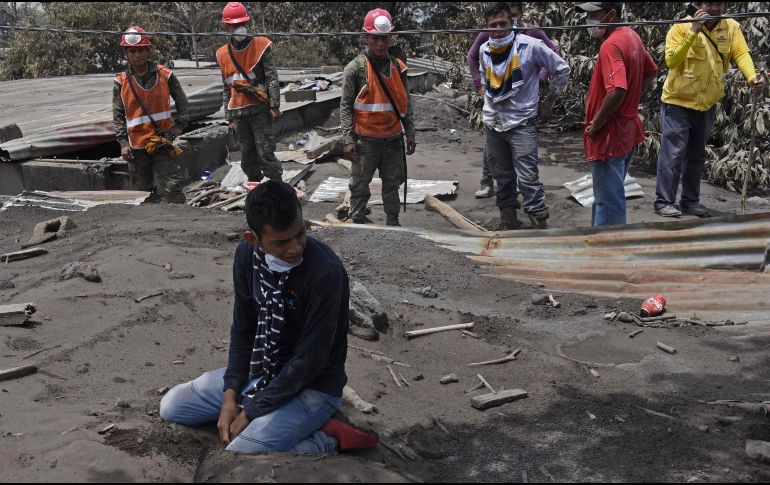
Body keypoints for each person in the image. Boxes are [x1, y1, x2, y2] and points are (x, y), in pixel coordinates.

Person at [160, 181, 377, 455]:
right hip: (261, 373)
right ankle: (284, 424)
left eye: (300, 234)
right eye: (281, 242)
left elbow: (310, 360)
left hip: (314, 385)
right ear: (253, 238)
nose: (295, 247)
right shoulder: (246, 256)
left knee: (243, 451)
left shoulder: (325, 273)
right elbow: (243, 329)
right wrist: (230, 397)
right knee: (172, 407)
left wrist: (251, 411)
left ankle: (330, 437)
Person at [654, 1, 766, 218]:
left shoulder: (731, 27)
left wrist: (752, 78)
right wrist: (693, 32)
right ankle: (663, 202)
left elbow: (741, 53)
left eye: (719, 4)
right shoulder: (680, 27)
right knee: (673, 155)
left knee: (696, 156)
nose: (715, 8)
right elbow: (671, 60)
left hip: (707, 104)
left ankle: (690, 202)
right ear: (698, 4)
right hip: (678, 102)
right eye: (709, 3)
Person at [479, 3, 570, 230]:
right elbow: (484, 78)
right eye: (493, 26)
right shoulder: (484, 50)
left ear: (513, 23)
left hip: (522, 123)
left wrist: (548, 101)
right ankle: (508, 222)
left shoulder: (530, 46)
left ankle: (539, 224)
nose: (498, 29)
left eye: (503, 24)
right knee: (502, 177)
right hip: (493, 123)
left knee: (528, 178)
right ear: (487, 28)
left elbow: (562, 68)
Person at [578, 2, 658, 226]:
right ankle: (599, 243)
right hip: (626, 129)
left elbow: (617, 90)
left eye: (594, 14)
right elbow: (650, 72)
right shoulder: (632, 36)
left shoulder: (610, 45)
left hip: (609, 135)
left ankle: (609, 252)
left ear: (612, 15)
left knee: (608, 200)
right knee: (606, 192)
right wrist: (630, 101)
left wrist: (596, 124)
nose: (589, 20)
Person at [340, 8, 417, 227]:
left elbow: (405, 103)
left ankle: (392, 221)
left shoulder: (398, 68)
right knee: (359, 184)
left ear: (390, 38)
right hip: (365, 140)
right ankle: (358, 220)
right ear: (366, 38)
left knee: (392, 183)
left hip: (392, 139)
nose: (381, 44)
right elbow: (345, 106)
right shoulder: (355, 69)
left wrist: (409, 131)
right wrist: (348, 139)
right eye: (375, 38)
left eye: (385, 38)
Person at [113, 26, 188, 203]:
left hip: (161, 141)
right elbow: (118, 115)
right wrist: (123, 143)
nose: (137, 55)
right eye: (132, 51)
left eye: (140, 50)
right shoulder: (120, 82)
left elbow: (182, 101)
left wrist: (180, 125)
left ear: (148, 50)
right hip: (137, 147)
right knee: (143, 192)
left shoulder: (165, 75)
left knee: (172, 187)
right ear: (126, 53)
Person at [216, 2, 283, 183]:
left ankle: (277, 190)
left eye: (241, 24)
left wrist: (274, 105)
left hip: (259, 110)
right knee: (248, 158)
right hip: (239, 114)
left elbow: (272, 78)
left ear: (246, 23)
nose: (238, 28)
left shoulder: (261, 46)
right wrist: (229, 118)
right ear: (227, 26)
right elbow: (226, 88)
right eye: (233, 25)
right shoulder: (222, 53)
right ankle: (256, 192)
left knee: (266, 154)